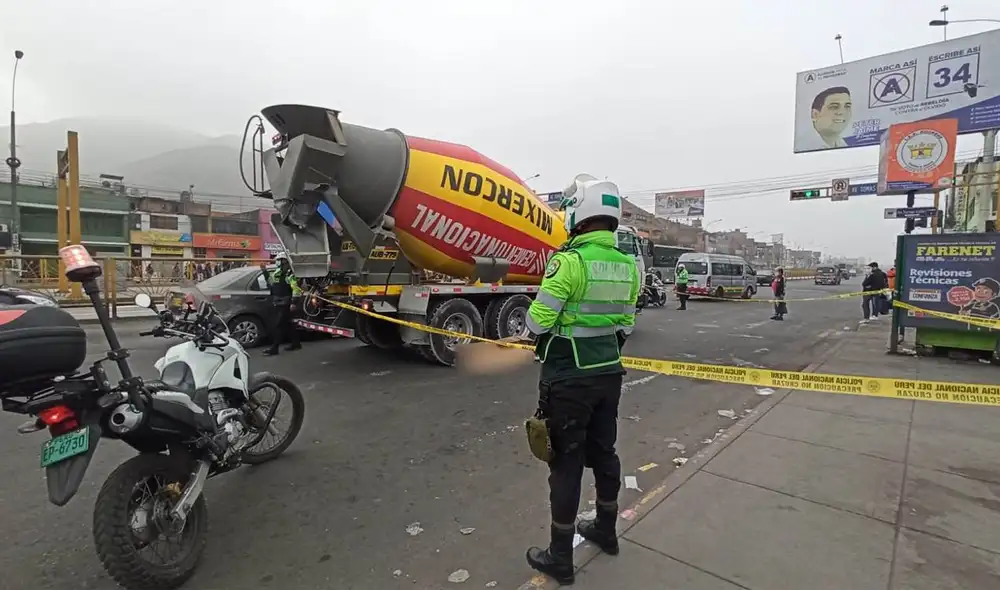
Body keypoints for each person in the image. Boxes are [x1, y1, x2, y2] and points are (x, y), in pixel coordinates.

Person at [519, 173, 640, 585]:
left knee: (566, 463)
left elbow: (538, 320)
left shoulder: (568, 261)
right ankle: (606, 529)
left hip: (568, 377)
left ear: (580, 214)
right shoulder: (627, 265)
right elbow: (625, 322)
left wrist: (529, 334)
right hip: (609, 373)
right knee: (604, 452)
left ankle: (559, 556)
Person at [261, 252, 302, 355]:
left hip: (286, 302)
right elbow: (271, 283)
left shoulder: (291, 274)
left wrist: (294, 302)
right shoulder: (277, 272)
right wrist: (264, 271)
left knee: (278, 326)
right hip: (278, 301)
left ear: (286, 262)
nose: (278, 263)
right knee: (287, 324)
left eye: (280, 261)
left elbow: (296, 289)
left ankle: (274, 348)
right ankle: (296, 343)